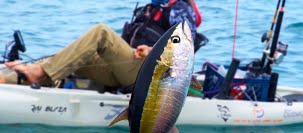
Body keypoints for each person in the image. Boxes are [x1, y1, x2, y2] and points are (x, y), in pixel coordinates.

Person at [0, 0, 204, 92]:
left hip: (150, 76)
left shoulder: (180, 9)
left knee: (101, 32)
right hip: (127, 69)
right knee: (76, 56)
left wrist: (152, 52)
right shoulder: (150, 7)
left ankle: (36, 73)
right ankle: (8, 80)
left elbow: (185, 53)